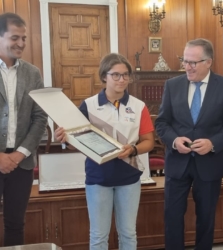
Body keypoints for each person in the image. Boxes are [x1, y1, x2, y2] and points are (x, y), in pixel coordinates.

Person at [55, 53, 154, 250]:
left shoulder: (139, 106)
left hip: (129, 175)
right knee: (99, 236)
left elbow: (149, 142)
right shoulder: (88, 105)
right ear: (104, 77)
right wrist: (65, 139)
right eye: (115, 75)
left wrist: (133, 149)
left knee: (128, 233)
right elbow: (78, 142)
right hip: (98, 177)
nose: (122, 80)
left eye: (126, 75)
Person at [155, 38, 223, 250]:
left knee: (206, 218)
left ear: (208, 62)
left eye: (193, 62)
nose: (187, 66)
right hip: (177, 163)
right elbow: (162, 122)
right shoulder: (172, 85)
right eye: (185, 61)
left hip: (209, 164)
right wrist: (174, 140)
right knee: (172, 217)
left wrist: (212, 143)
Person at [0, 13, 48, 246]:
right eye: (15, 38)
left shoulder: (33, 73)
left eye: (24, 38)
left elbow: (40, 117)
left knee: (15, 224)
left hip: (22, 162)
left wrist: (19, 154)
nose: (21, 44)